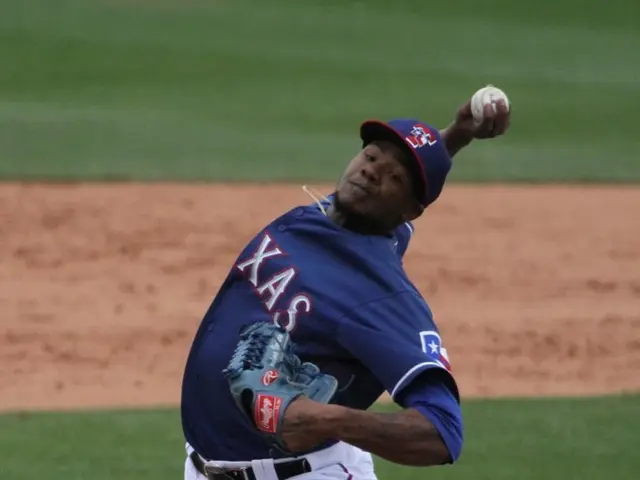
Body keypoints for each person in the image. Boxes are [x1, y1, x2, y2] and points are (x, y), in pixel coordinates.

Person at [180, 90, 511, 480]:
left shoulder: (381, 296)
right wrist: (457, 133)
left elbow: (443, 432)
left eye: (394, 177)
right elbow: (402, 180)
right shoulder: (325, 215)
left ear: (409, 211)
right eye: (371, 156)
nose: (372, 171)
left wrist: (328, 419)